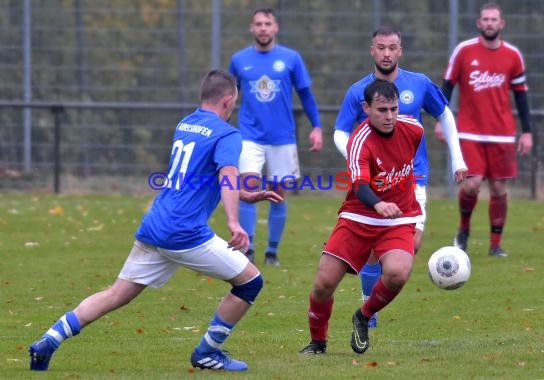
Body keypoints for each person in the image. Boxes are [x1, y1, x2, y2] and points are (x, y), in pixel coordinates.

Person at [28, 70, 283, 372]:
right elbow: (226, 175)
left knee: (116, 294)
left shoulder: (186, 124)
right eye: (235, 102)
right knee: (251, 282)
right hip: (185, 232)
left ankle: (48, 340)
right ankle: (207, 353)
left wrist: (247, 196)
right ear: (228, 100)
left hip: (156, 224)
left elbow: (204, 177)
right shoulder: (228, 134)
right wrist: (234, 222)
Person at [333, 26, 467, 328]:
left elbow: (444, 114)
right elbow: (340, 132)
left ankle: (373, 296)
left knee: (413, 243)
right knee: (372, 249)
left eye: (392, 47)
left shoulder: (418, 84)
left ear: (400, 50)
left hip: (412, 177)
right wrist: (358, 160)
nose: (386, 53)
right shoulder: (358, 92)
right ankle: (368, 312)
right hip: (376, 183)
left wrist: (457, 159)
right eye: (380, 47)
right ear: (372, 50)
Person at [300, 79, 424, 355]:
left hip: (398, 219)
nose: (389, 116)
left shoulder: (414, 129)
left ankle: (363, 316)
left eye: (393, 108)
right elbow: (360, 185)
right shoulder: (359, 140)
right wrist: (379, 204)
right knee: (324, 284)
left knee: (398, 272)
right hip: (359, 218)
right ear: (366, 108)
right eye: (382, 110)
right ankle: (318, 343)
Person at [229, 7, 323, 266]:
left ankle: (272, 252)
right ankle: (247, 249)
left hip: (282, 137)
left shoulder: (291, 58)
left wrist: (316, 126)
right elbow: (227, 96)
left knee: (277, 193)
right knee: (247, 189)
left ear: (275, 27)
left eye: (267, 23)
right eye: (258, 23)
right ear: (251, 28)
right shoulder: (239, 60)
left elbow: (305, 94)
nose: (262, 28)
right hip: (249, 136)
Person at [440, 2, 533, 257]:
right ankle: (463, 230)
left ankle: (495, 244)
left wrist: (527, 131)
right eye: (486, 19)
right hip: (469, 131)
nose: (490, 23)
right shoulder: (464, 51)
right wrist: (440, 118)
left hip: (502, 133)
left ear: (501, 24)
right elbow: (447, 85)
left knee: (499, 190)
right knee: (471, 185)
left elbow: (521, 97)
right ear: (479, 23)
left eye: (494, 19)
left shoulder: (513, 55)